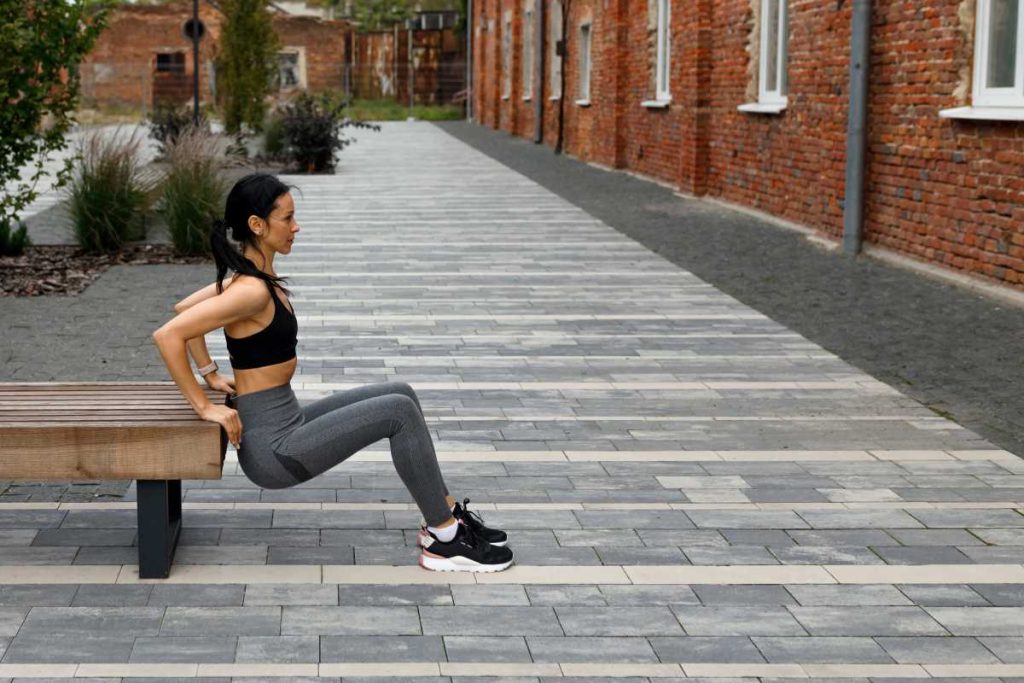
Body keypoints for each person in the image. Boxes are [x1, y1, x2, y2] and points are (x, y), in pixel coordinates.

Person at [151, 173, 514, 572]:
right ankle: (445, 539)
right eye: (287, 219)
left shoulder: (250, 280)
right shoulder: (250, 290)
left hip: (286, 420)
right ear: (257, 225)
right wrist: (207, 406)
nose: (296, 227)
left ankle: (446, 513)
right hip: (274, 451)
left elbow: (185, 312)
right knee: (397, 412)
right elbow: (170, 334)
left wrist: (210, 371)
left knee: (401, 392)